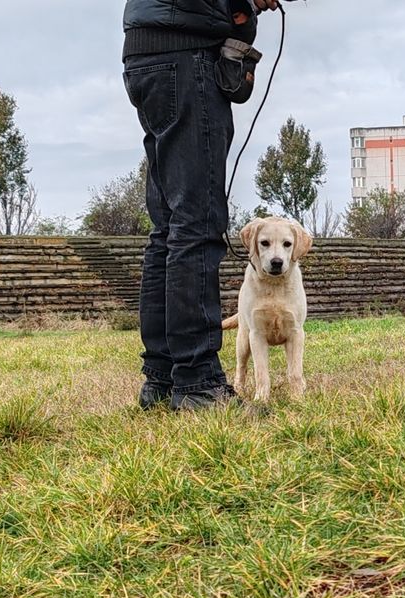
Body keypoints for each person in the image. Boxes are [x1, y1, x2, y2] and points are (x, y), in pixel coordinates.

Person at [122, 0, 279, 411]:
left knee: (168, 226)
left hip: (147, 55)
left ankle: (162, 377)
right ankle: (197, 382)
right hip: (185, 58)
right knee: (197, 222)